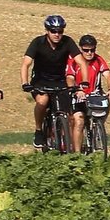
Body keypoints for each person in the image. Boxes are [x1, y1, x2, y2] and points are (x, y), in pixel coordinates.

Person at [21, 14, 87, 150]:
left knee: (67, 114)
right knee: (43, 101)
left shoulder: (67, 42)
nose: (57, 34)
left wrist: (84, 81)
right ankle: (39, 130)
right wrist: (25, 82)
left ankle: (64, 144)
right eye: (53, 31)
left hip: (60, 81)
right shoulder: (38, 42)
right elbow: (26, 64)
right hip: (40, 81)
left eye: (60, 31)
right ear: (47, 31)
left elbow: (81, 62)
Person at [67, 34, 110, 153]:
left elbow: (108, 75)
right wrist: (77, 90)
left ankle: (98, 131)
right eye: (86, 50)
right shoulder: (73, 61)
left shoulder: (98, 60)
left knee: (104, 109)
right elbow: (70, 78)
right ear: (80, 49)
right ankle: (77, 154)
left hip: (94, 96)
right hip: (78, 96)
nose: (89, 53)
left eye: (92, 50)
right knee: (79, 120)